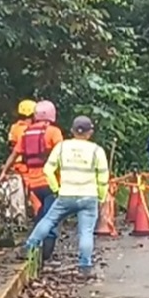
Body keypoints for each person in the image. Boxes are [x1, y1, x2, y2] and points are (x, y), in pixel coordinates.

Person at [21, 116, 109, 278]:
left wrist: (56, 188)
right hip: (88, 196)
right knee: (86, 232)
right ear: (90, 133)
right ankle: (84, 266)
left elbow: (48, 170)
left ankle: (29, 247)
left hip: (65, 194)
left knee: (49, 220)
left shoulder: (62, 147)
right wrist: (101, 198)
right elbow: (103, 178)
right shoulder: (97, 151)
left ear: (72, 131)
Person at [0, 100, 64, 260]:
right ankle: (43, 254)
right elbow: (62, 155)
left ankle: (36, 249)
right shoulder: (54, 132)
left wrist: (3, 173)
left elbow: (13, 154)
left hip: (31, 183)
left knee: (41, 215)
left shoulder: (26, 133)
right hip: (50, 183)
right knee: (51, 218)